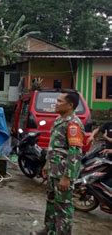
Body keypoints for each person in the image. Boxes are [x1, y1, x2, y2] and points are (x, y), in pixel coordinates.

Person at [38, 90, 84, 235]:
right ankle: (49, 229)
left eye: (59, 101)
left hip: (63, 172)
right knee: (51, 202)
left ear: (70, 105)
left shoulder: (73, 124)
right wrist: (46, 165)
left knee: (63, 207)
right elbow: (53, 147)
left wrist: (67, 177)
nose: (55, 104)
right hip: (54, 170)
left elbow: (75, 152)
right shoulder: (59, 120)